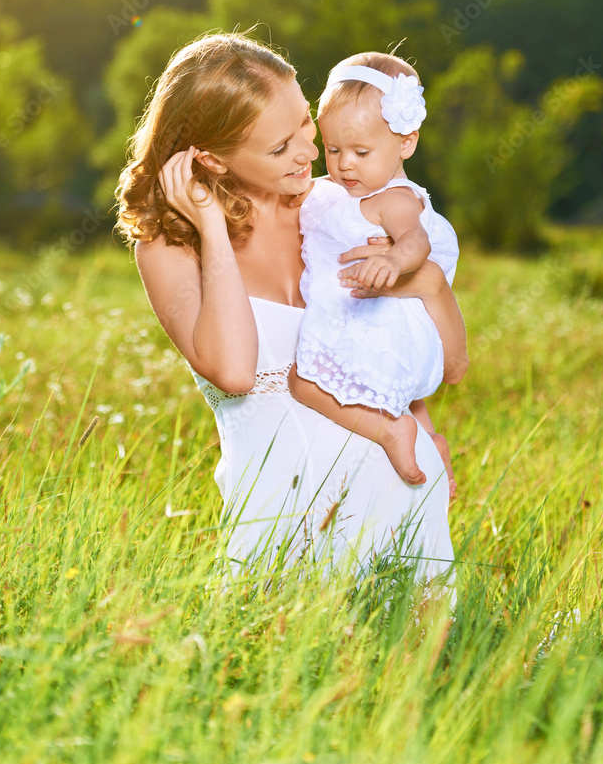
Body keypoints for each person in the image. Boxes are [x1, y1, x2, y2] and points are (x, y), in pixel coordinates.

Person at [115, 32, 468, 585]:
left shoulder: (333, 207)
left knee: (423, 663)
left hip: (396, 489)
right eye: (280, 147)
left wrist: (422, 431)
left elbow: (388, 336)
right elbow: (234, 372)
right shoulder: (170, 245)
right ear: (211, 159)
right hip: (280, 519)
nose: (309, 152)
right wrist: (212, 226)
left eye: (306, 123)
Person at [289, 52, 459, 487]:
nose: (345, 163)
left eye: (361, 152)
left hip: (381, 318)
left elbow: (415, 240)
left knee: (302, 382)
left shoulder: (394, 198)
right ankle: (428, 439)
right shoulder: (332, 191)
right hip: (365, 313)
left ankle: (392, 431)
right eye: (333, 149)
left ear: (406, 143)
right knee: (402, 394)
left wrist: (393, 261)